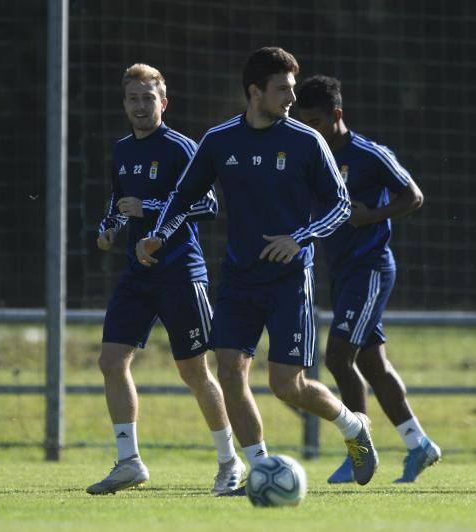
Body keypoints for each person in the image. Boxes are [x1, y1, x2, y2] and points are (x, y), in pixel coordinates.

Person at [136, 47, 378, 485]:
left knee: (287, 385)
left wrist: (298, 238)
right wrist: (158, 233)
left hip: (290, 280)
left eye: (291, 88)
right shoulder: (219, 140)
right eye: (282, 89)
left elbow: (340, 204)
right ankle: (259, 468)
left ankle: (353, 426)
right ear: (254, 92)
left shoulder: (306, 141)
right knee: (229, 371)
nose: (291, 98)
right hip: (238, 280)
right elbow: (183, 195)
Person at [88, 64, 244, 496]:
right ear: (125, 104)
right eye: (133, 98)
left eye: (148, 98)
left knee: (193, 372)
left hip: (180, 273)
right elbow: (122, 203)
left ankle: (230, 463)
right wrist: (110, 227)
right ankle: (129, 462)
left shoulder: (181, 148)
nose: (141, 105)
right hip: (137, 274)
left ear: (163, 103)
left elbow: (208, 204)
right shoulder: (121, 150)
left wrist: (151, 208)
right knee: (111, 361)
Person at [296, 75, 439, 484]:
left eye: (317, 122)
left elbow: (414, 196)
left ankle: (360, 450)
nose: (311, 130)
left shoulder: (370, 154)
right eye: (304, 123)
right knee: (373, 364)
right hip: (342, 273)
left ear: (337, 115)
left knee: (338, 357)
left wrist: (372, 216)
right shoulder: (312, 155)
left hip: (371, 268)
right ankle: (418, 444)